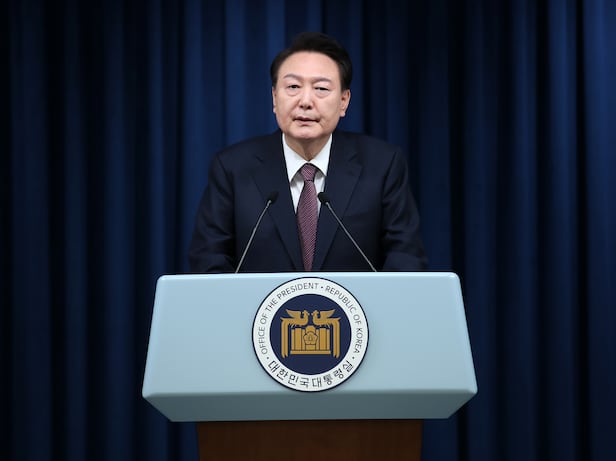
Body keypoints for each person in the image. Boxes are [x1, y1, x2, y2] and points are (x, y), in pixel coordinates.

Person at [188, 31, 427, 273]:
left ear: (344, 101)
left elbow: (405, 258)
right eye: (293, 86)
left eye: (321, 88)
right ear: (274, 98)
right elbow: (209, 261)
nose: (305, 101)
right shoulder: (232, 168)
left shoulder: (382, 165)